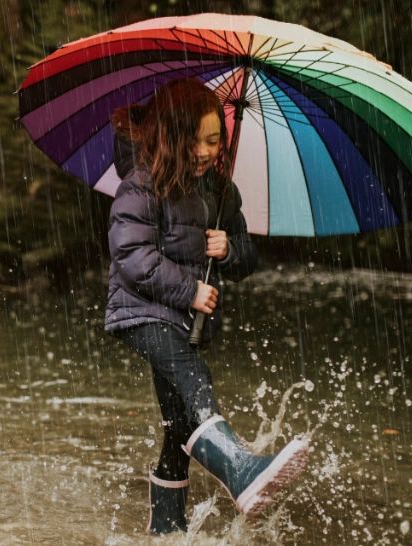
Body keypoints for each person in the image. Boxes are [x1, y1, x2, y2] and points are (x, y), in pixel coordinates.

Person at [105, 78, 309, 534]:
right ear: (171, 136)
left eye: (214, 141)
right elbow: (132, 256)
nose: (204, 151)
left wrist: (229, 249)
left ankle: (165, 528)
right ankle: (239, 468)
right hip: (141, 313)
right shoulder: (141, 184)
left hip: (184, 319)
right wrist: (190, 291)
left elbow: (247, 258)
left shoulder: (220, 191)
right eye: (194, 140)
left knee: (179, 423)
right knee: (193, 379)